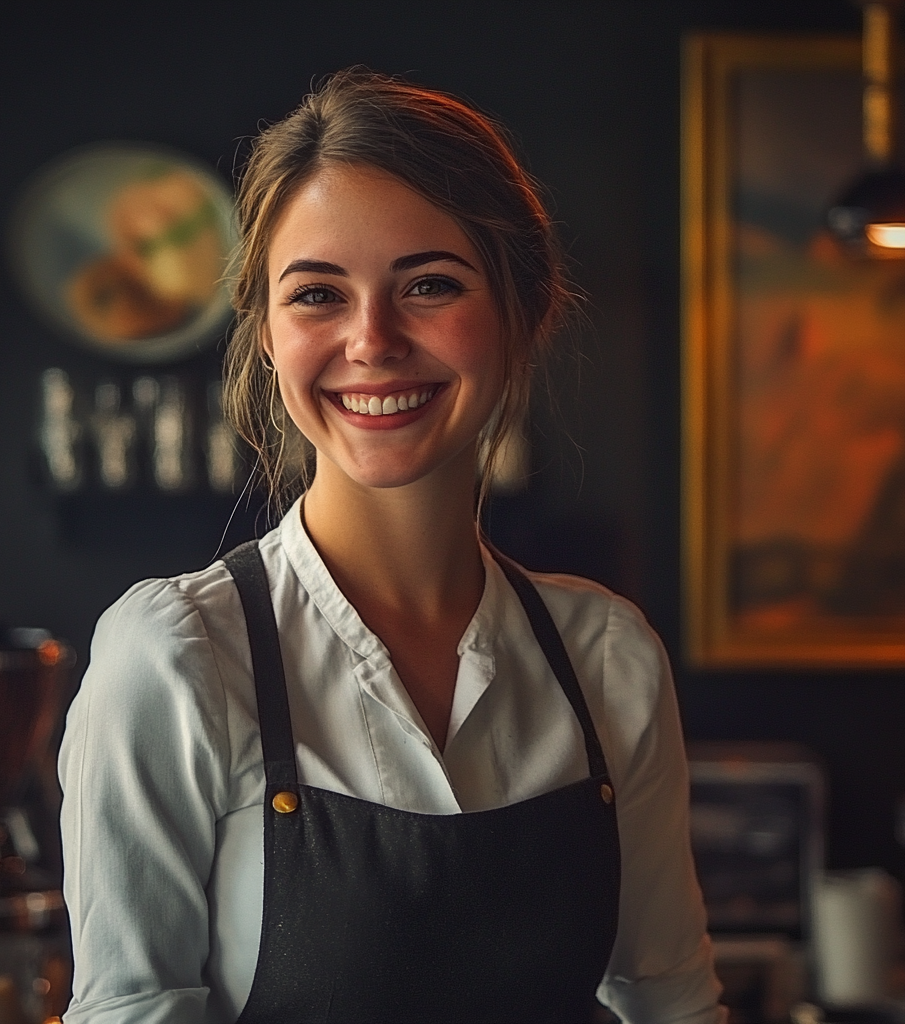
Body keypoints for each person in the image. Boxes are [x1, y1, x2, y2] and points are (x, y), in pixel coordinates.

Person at [58, 69, 726, 1024]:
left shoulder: (607, 656)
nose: (371, 340)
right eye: (318, 294)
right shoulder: (179, 658)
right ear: (266, 337)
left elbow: (672, 1005)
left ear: (522, 308)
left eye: (429, 284)